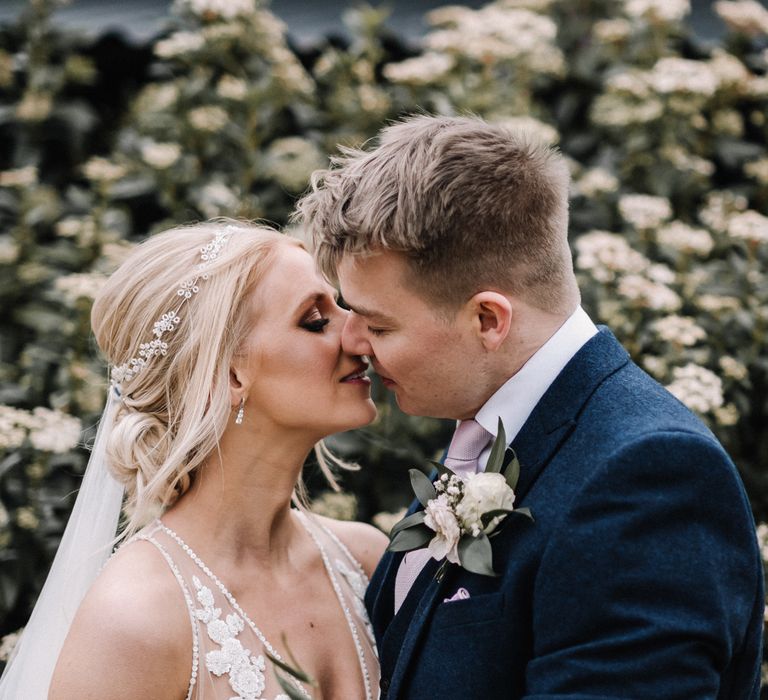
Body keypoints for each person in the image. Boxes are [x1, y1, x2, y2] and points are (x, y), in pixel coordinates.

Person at [294, 115, 764, 699]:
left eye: (380, 325)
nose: (355, 342)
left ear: (488, 320)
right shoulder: (495, 428)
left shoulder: (648, 478)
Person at [0, 221, 387, 700]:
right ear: (227, 376)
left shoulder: (367, 559)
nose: (359, 334)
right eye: (315, 320)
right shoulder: (136, 618)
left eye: (341, 304)